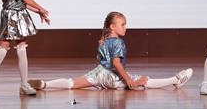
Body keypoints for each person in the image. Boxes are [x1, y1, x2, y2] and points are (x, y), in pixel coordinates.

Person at [28, 11, 193, 90]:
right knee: (144, 80)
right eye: (123, 24)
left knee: (72, 83)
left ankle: (45, 84)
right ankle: (174, 80)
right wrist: (129, 80)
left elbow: (103, 61)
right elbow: (116, 63)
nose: (125, 27)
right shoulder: (118, 42)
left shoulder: (103, 40)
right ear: (113, 27)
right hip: (111, 76)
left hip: (98, 73)